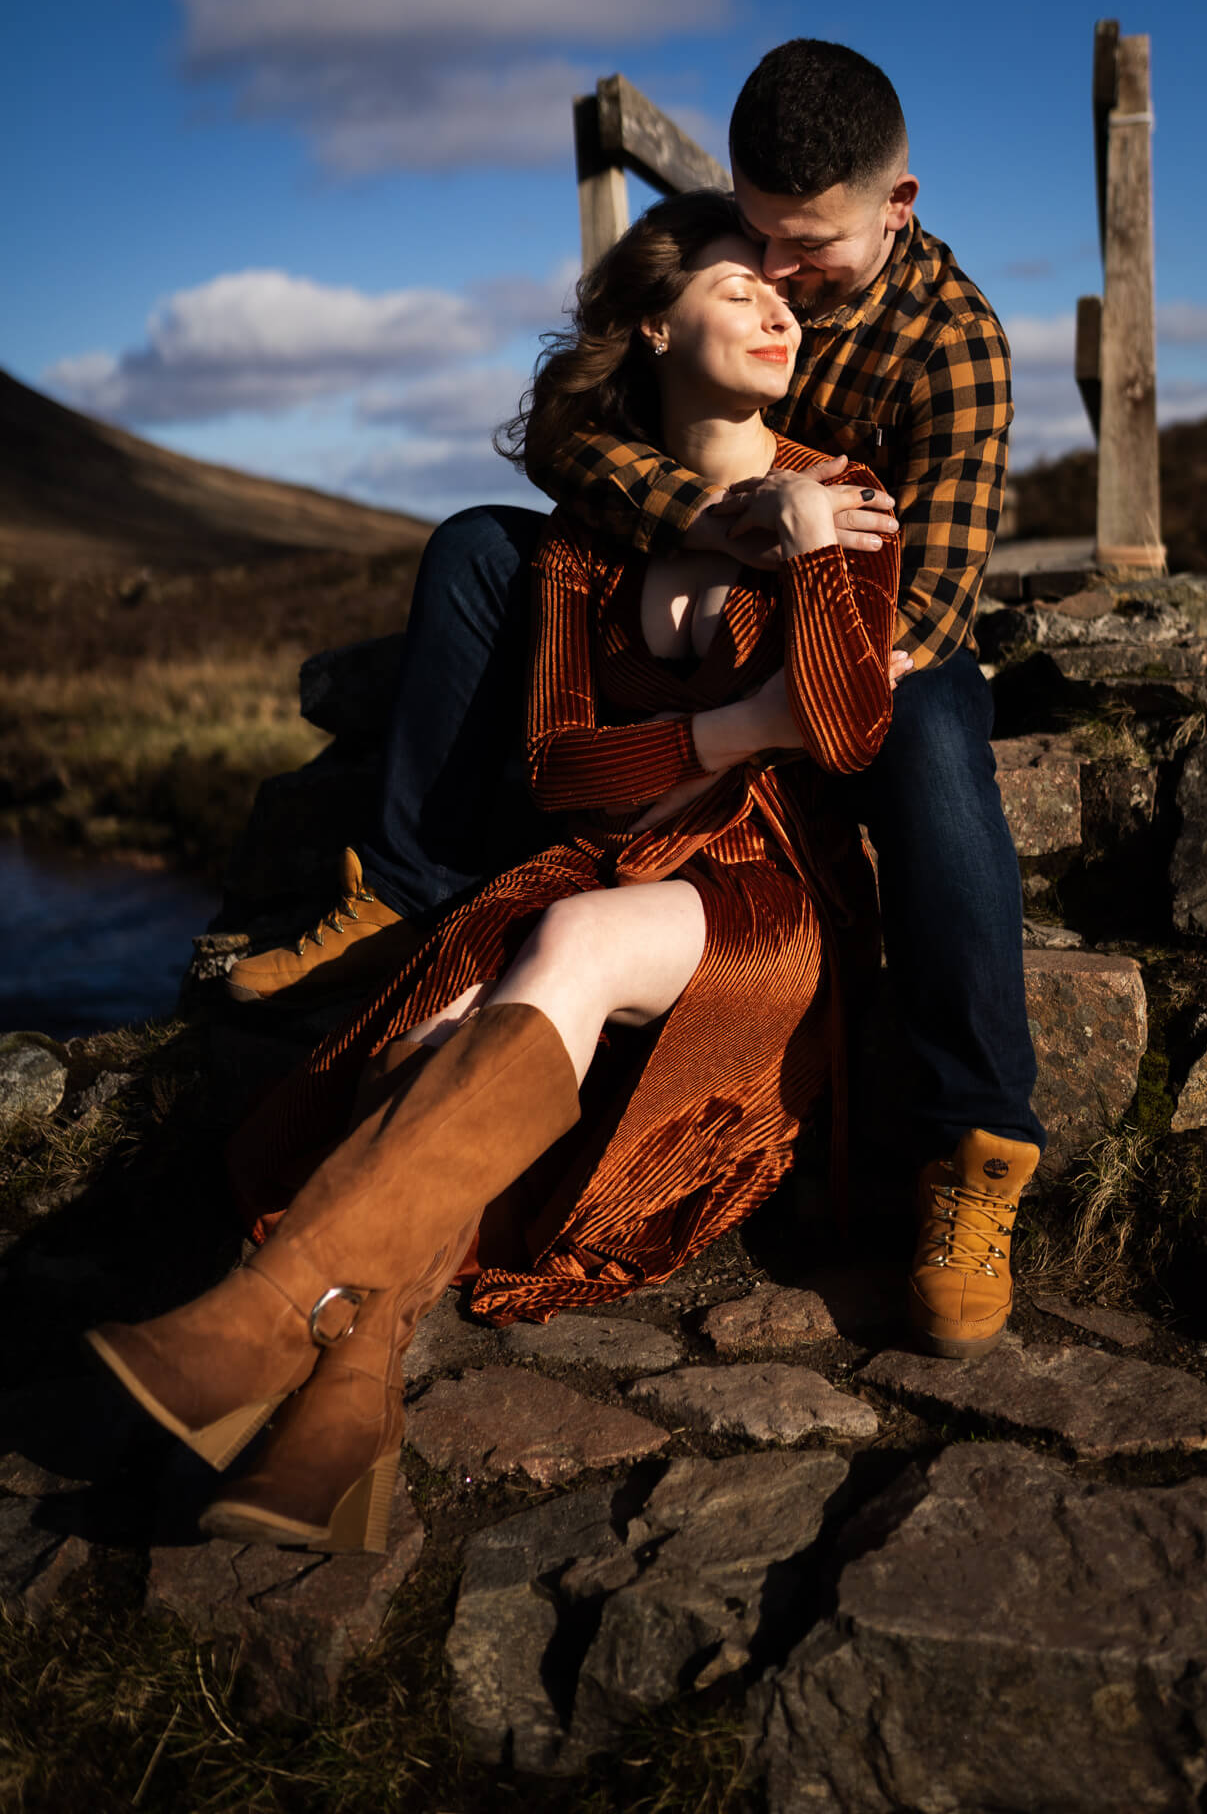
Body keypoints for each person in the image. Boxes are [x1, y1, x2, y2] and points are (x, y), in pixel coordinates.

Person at [87, 190, 942, 1556]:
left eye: (781, 293)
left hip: (760, 893)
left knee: (572, 949)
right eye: (736, 291)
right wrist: (728, 725)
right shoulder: (583, 540)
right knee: (424, 1029)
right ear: (657, 325)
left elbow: (840, 731)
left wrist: (792, 537)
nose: (778, 307)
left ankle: (263, 1313)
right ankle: (347, 1406)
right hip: (592, 863)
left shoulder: (844, 493)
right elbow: (556, 769)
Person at [226, 38, 1046, 1361]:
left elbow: (932, 603)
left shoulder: (948, 345)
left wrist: (806, 623)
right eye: (756, 243)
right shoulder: (714, 255)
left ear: (896, 205)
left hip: (839, 657)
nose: (778, 276)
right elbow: (572, 429)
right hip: (670, 585)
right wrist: (721, 522)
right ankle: (401, 892)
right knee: (481, 547)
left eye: (809, 249)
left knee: (942, 709)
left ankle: (974, 1142)